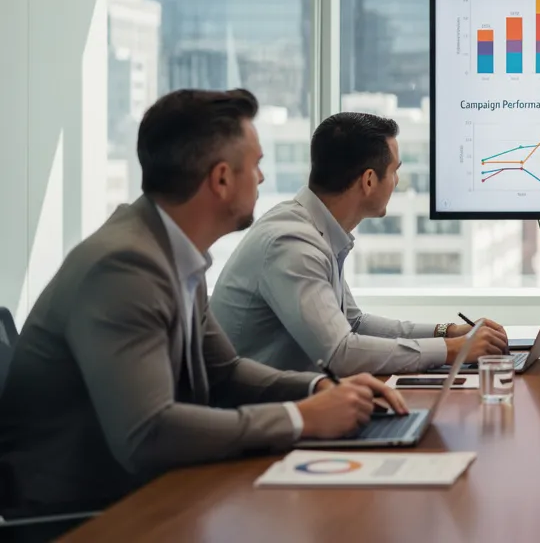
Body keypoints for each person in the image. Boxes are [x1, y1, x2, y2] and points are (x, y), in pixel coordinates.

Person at [0, 90, 407, 517]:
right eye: (256, 165)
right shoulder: (125, 267)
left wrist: (320, 388)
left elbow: (225, 372)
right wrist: (301, 417)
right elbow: (148, 432)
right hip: (80, 512)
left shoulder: (172, 251)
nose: (263, 179)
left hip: (146, 489)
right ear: (221, 179)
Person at [212, 112, 509, 376]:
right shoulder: (291, 244)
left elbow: (353, 324)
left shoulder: (315, 229)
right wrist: (453, 350)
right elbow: (340, 355)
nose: (397, 181)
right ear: (368, 180)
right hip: (257, 421)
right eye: (394, 171)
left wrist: (449, 332)